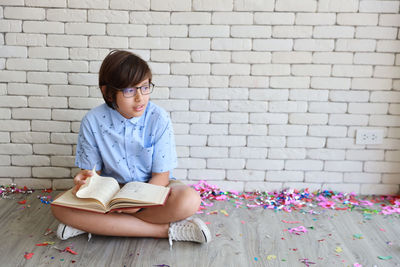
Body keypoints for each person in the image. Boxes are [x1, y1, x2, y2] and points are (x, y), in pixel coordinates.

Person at [51, 50, 211, 247]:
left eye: (144, 87)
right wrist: (85, 180)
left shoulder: (158, 118)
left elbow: (161, 176)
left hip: (154, 190)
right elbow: (93, 174)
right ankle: (168, 230)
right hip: (112, 195)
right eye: (129, 90)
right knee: (59, 206)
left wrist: (137, 203)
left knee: (189, 200)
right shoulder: (92, 121)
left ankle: (95, 225)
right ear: (108, 92)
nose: (140, 98)